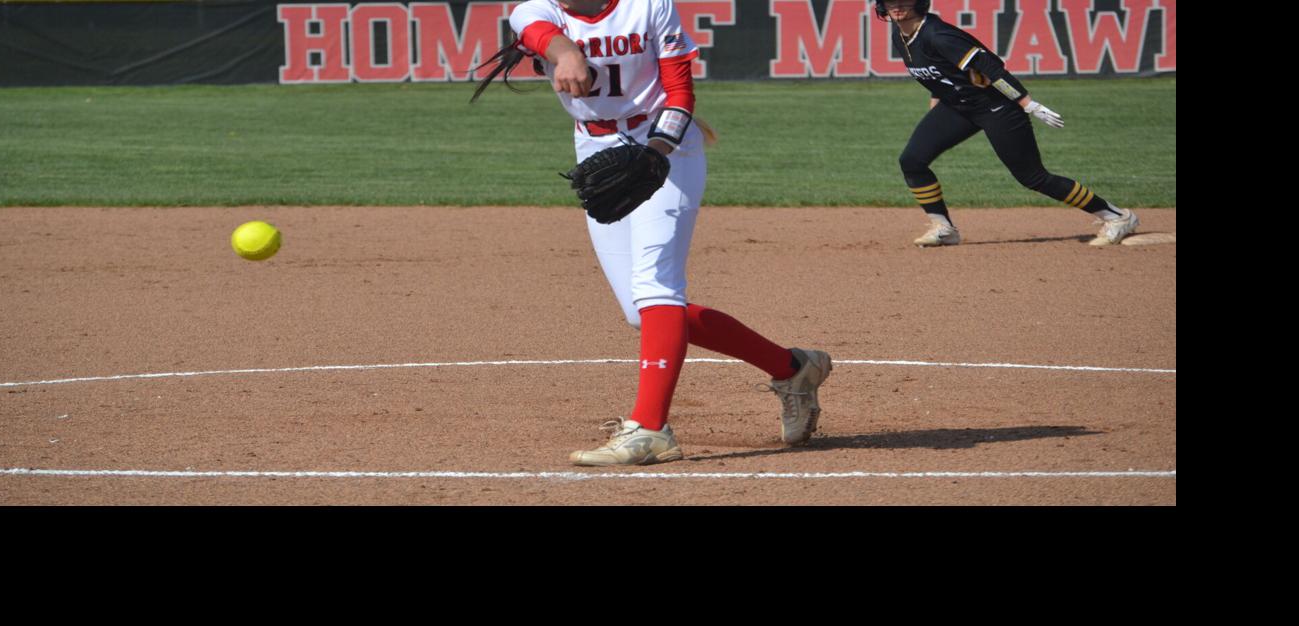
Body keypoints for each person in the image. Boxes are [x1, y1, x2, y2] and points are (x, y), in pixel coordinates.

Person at [473, 0, 830, 465]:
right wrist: (566, 53)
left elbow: (680, 92)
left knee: (655, 285)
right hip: (596, 146)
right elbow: (539, 32)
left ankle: (650, 428)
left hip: (667, 147)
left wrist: (657, 151)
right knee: (643, 311)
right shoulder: (539, 10)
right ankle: (794, 368)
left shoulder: (650, 6)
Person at [880, 0, 1139, 247]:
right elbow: (940, 72)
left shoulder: (938, 35)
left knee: (1033, 177)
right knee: (912, 161)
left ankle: (1117, 216)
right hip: (958, 106)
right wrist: (937, 100)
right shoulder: (900, 36)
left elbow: (992, 69)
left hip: (997, 107)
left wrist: (1028, 103)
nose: (898, 7)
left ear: (918, 2)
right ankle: (944, 228)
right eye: (891, 2)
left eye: (905, 1)